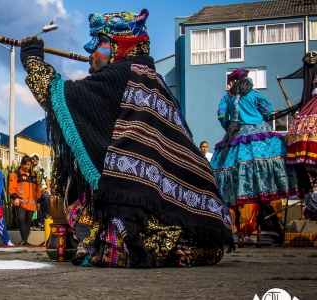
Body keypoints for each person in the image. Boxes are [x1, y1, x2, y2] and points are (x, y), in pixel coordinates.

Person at [20, 9, 233, 267]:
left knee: (90, 219)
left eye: (99, 44)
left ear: (118, 46)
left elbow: (60, 95)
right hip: (196, 213)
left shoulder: (123, 74)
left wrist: (33, 59)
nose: (91, 53)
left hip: (144, 207)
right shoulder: (154, 79)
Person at [211, 69, 308, 247]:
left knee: (236, 167)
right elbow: (267, 108)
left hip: (238, 134)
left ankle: (245, 228)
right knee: (267, 166)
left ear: (233, 83)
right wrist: (260, 119)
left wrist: (228, 126)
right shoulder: (255, 94)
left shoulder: (228, 97)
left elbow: (221, 114)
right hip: (261, 132)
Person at [9, 156, 40, 246]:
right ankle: (24, 240)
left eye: (29, 165)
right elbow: (12, 188)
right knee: (20, 219)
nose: (27, 166)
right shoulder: (16, 174)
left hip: (31, 203)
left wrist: (38, 201)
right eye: (25, 164)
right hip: (20, 201)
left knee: (28, 221)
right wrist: (15, 198)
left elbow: (38, 190)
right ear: (22, 164)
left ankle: (24, 240)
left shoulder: (34, 176)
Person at [31, 153, 51, 228]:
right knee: (35, 203)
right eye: (33, 158)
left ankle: (45, 216)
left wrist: (48, 188)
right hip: (32, 190)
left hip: (41, 189)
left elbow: (46, 179)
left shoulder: (41, 169)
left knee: (46, 196)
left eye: (37, 158)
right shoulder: (30, 169)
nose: (35, 160)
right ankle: (36, 221)